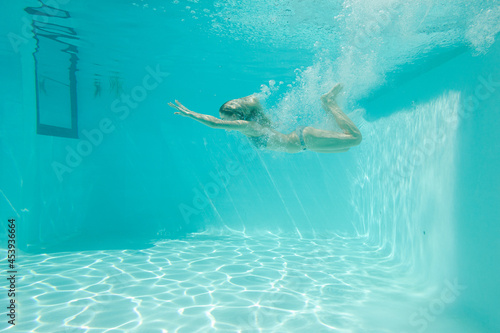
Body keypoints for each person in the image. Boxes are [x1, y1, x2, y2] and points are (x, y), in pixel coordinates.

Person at [168, 83, 362, 153]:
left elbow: (215, 123)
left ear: (238, 117)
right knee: (345, 147)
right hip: (305, 145)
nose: (227, 124)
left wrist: (191, 114)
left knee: (355, 139)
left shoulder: (248, 127)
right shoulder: (254, 125)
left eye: (228, 120)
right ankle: (331, 108)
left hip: (304, 139)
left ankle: (328, 101)